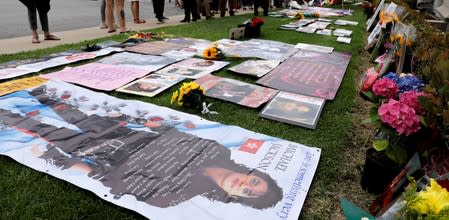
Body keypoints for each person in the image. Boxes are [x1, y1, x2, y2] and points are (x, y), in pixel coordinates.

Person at [0, 85, 283, 209]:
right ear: (255, 172)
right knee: (74, 114)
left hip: (102, 153)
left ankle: (4, 113)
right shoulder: (223, 152)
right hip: (122, 132)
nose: (243, 183)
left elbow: (111, 182)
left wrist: (63, 161)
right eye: (254, 181)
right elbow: (172, 133)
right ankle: (40, 95)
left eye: (246, 192)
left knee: (45, 130)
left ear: (236, 197)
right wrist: (136, 120)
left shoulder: (177, 197)